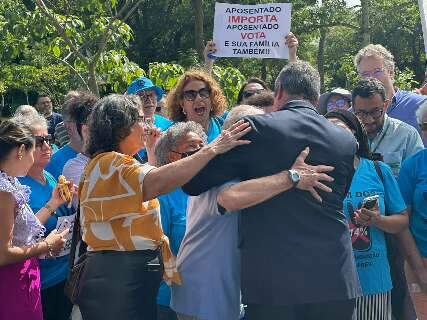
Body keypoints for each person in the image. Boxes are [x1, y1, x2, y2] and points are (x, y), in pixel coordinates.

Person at [182, 61, 360, 320]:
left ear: (278, 93)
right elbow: (337, 196)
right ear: (316, 97)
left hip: (273, 282)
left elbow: (193, 182)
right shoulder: (345, 140)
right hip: (334, 278)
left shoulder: (257, 129)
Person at [77, 94, 251, 320]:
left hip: (123, 279)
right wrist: (211, 149)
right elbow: (157, 181)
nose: (148, 124)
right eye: (140, 119)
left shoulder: (114, 163)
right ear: (120, 126)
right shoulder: (110, 163)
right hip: (118, 281)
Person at [171, 105, 336, 320]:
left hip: (218, 292)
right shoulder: (218, 170)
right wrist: (292, 177)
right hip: (204, 293)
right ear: (242, 133)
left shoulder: (232, 166)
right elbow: (229, 198)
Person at [325, 109, 409, 320]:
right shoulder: (316, 176)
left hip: (374, 280)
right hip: (330, 284)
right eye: (326, 131)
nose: (333, 136)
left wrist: (378, 220)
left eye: (340, 130)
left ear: (355, 136)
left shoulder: (378, 170)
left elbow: (402, 221)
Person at [0, 119, 69, 320]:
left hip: (24, 276)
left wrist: (54, 202)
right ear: (21, 150)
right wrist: (46, 244)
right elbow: (3, 253)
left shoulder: (8, 183)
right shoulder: (4, 192)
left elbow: (22, 231)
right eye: (34, 148)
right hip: (13, 282)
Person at [15, 113, 76, 320]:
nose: (47, 146)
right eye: (39, 141)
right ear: (22, 147)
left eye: (48, 139)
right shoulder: (16, 187)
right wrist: (53, 204)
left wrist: (72, 199)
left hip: (66, 276)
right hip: (41, 282)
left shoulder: (49, 176)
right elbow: (18, 235)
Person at [153, 121, 208, 320]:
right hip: (172, 301)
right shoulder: (162, 195)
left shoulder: (213, 187)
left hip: (211, 295)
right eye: (192, 148)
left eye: (204, 146)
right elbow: (157, 248)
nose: (201, 152)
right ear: (171, 156)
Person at [351, 78, 424, 177]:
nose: (369, 120)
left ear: (385, 105)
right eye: (362, 113)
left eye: (375, 112)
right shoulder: (346, 137)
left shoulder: (407, 135)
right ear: (354, 109)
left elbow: (421, 177)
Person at [354, 44, 427, 131]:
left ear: (391, 72)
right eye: (365, 74)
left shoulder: (420, 105)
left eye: (377, 71)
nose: (372, 78)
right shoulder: (353, 115)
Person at [398, 148, 427, 319]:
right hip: (421, 261)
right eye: (425, 126)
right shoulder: (413, 165)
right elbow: (402, 223)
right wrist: (420, 270)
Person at [45, 92, 98, 179]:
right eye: (86, 121)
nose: (93, 126)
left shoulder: (109, 152)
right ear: (68, 126)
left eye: (96, 121)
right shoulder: (54, 163)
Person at [166, 70, 227, 142]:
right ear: (182, 104)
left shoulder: (224, 126)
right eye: (190, 95)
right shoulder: (171, 136)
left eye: (203, 92)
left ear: (212, 98)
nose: (198, 98)